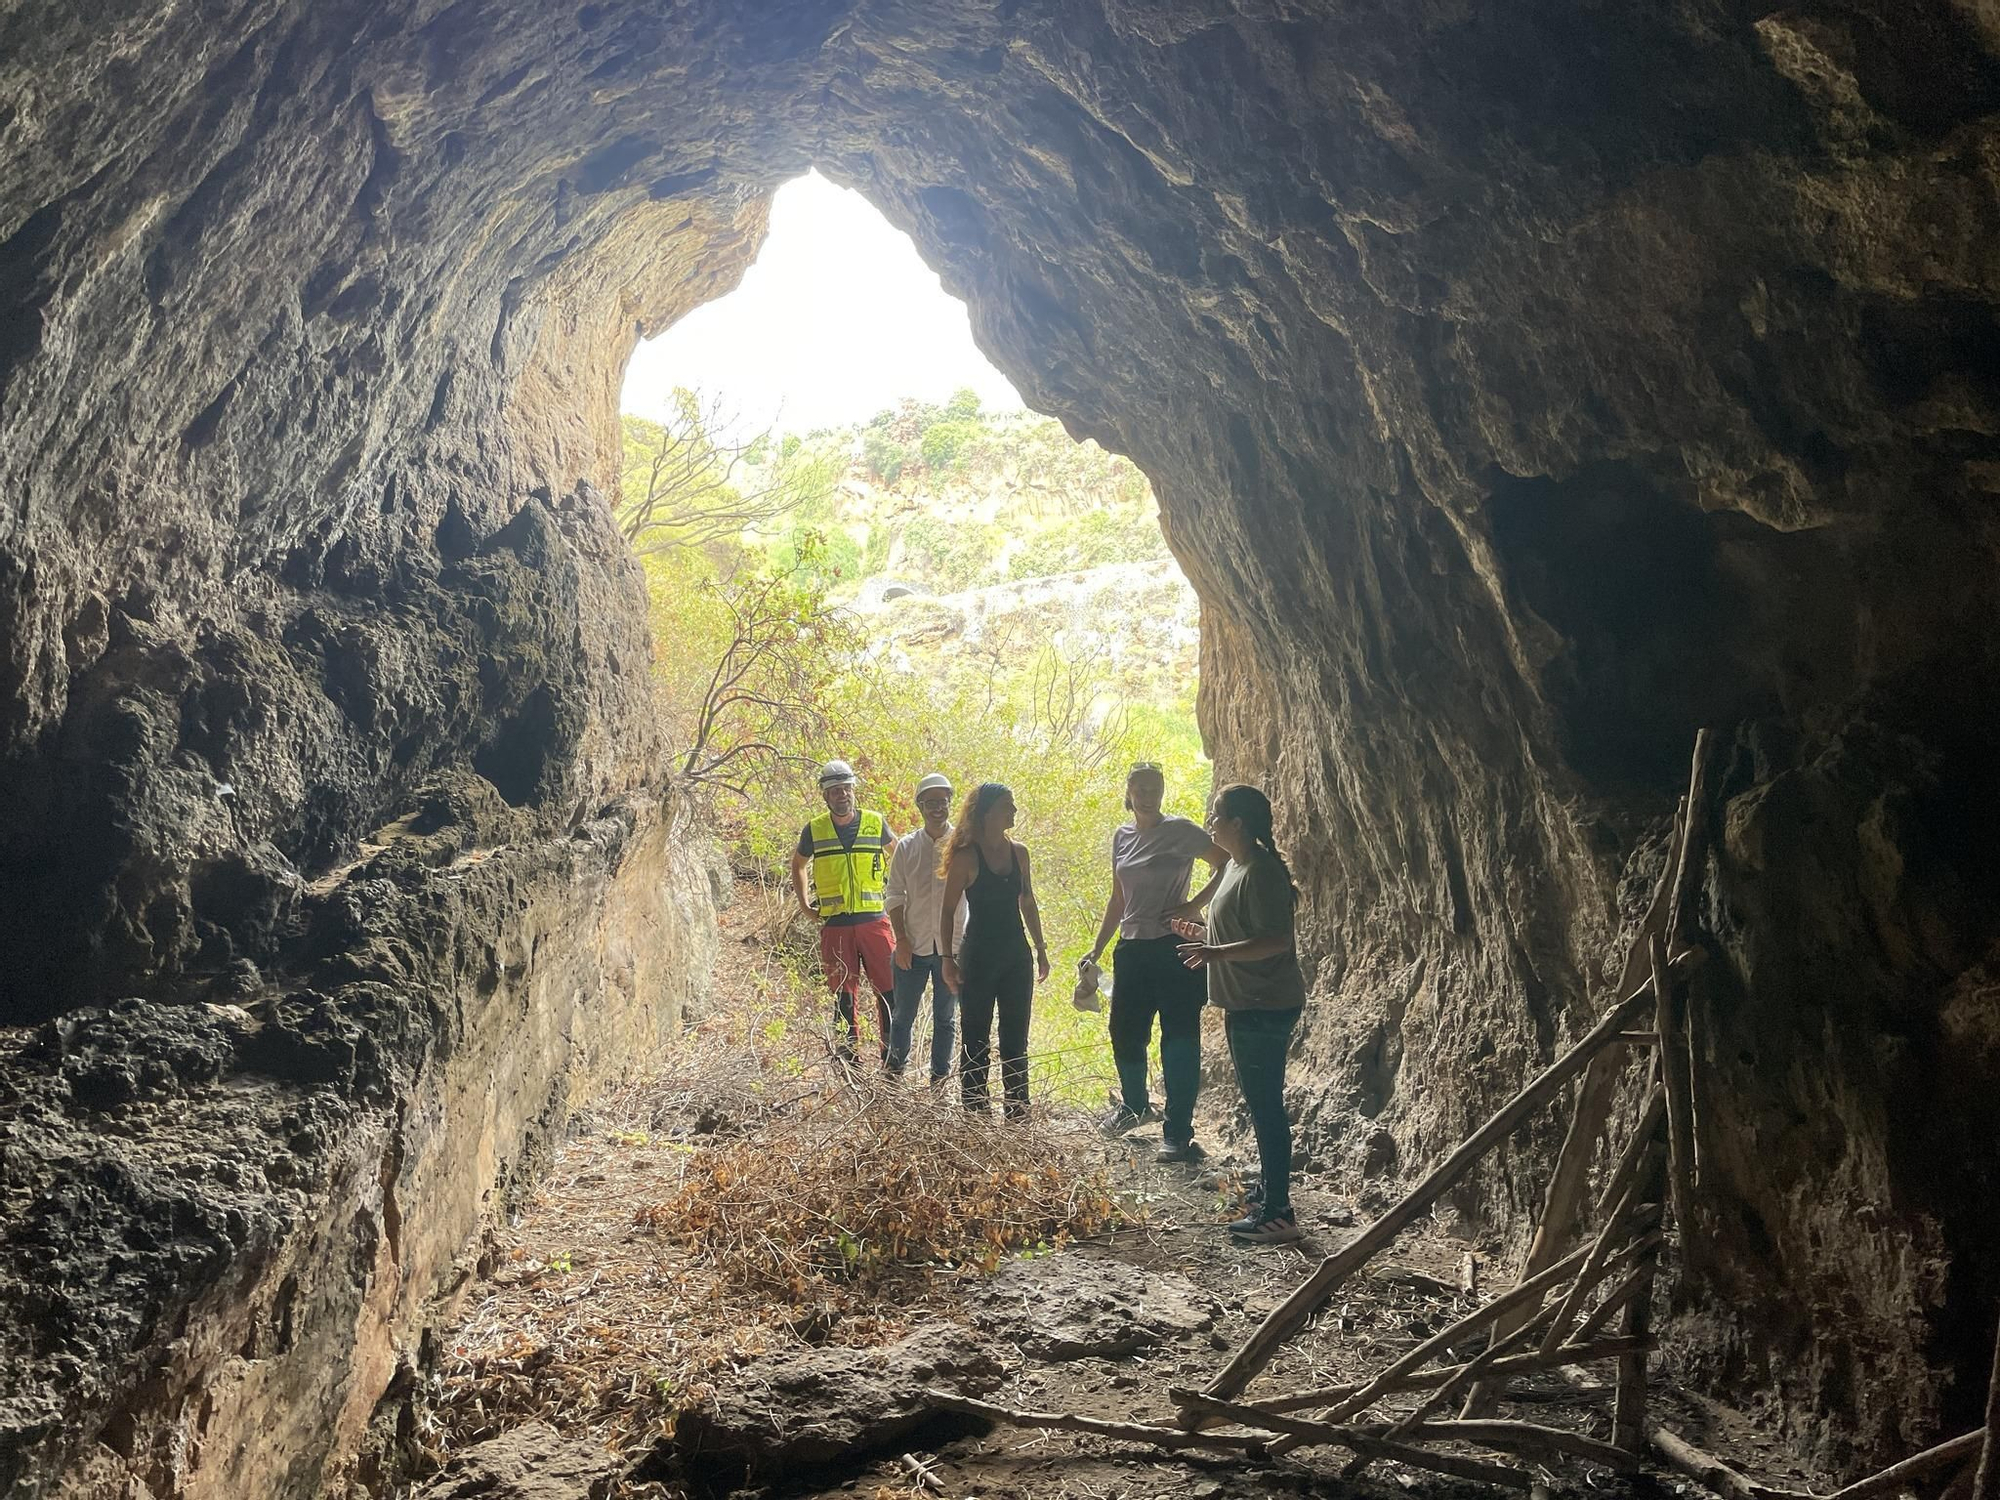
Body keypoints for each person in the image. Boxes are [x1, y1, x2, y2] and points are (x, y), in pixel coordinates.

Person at [1175, 784, 1308, 1244]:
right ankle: (1269, 1193)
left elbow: (1275, 941)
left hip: (1264, 1005)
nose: (1210, 822)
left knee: (1267, 1105)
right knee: (1260, 1101)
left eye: (1217, 816)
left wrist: (1215, 952)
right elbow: (1236, 928)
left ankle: (1279, 1215)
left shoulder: (1263, 871)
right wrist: (1201, 932)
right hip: (1244, 1004)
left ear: (1238, 824)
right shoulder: (1234, 865)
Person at [1085, 761, 1228, 1162]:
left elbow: (1225, 863)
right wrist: (1097, 948)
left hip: (1175, 946)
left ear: (1163, 791)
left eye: (1155, 788)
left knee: (1179, 1039)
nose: (1149, 796)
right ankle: (1134, 1106)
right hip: (1132, 948)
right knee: (1125, 1032)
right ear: (1128, 792)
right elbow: (1118, 898)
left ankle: (1178, 1132)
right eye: (1141, 789)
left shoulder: (1180, 830)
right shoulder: (1122, 836)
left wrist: (1193, 905)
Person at [938, 783, 1051, 1118]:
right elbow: (946, 912)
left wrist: (1041, 948)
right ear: (987, 813)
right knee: (975, 1039)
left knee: (1016, 1039)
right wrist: (947, 959)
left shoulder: (1020, 852)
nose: (1014, 811)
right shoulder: (966, 856)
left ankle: (1017, 1113)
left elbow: (1027, 901)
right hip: (979, 957)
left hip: (1016, 955)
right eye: (1007, 805)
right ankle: (976, 1114)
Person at [789, 759, 897, 1062]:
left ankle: (892, 1057)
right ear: (825, 795)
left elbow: (900, 856)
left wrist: (903, 902)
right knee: (843, 995)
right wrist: (804, 905)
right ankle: (849, 1060)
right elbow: (798, 864)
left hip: (874, 921)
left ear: (854, 791)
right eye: (835, 790)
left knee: (889, 991)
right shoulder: (814, 830)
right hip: (835, 925)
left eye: (847, 789)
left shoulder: (875, 823)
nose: (842, 795)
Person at [882, 772, 966, 1087]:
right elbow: (894, 895)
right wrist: (900, 940)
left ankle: (940, 1083)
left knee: (946, 1020)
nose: (937, 808)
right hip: (912, 947)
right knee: (903, 1017)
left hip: (952, 949)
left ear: (949, 804)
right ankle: (893, 1078)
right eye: (931, 802)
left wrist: (964, 945)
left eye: (942, 802)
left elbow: (974, 894)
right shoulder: (906, 847)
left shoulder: (962, 845)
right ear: (920, 806)